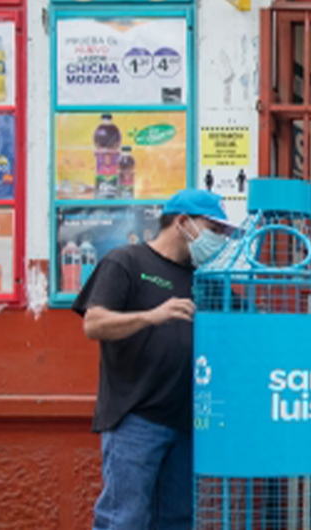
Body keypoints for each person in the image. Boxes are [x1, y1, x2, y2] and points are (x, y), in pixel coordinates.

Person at [73, 189, 236, 530]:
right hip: (137, 418)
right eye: (215, 230)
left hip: (189, 421)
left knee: (178, 520)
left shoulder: (205, 279)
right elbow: (94, 323)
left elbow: (246, 323)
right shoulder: (127, 262)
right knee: (125, 519)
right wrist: (152, 316)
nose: (220, 240)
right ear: (183, 223)